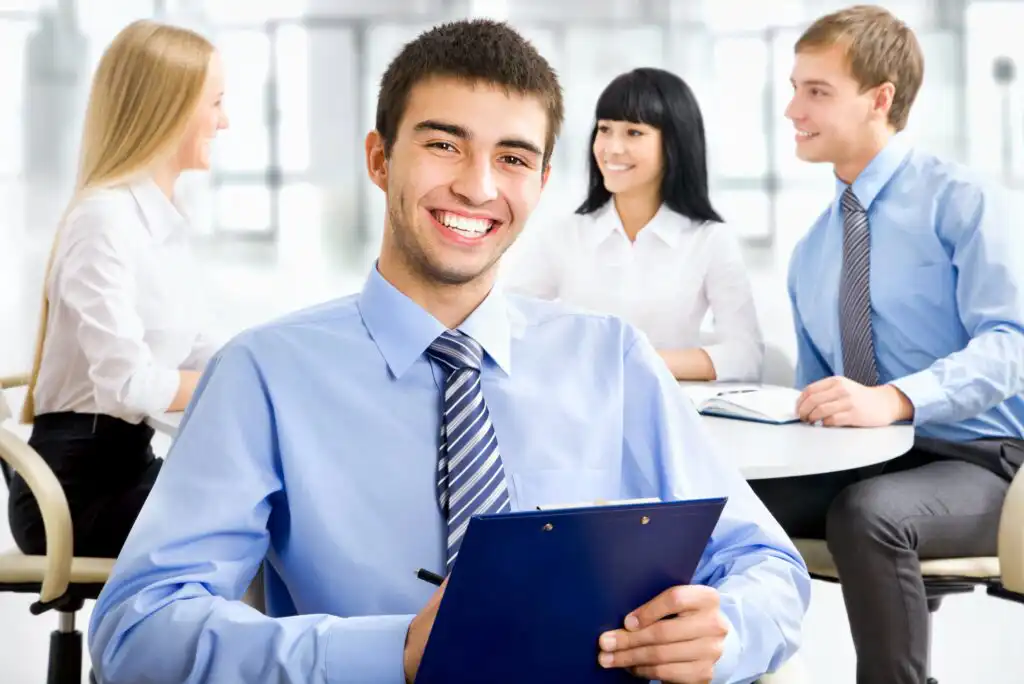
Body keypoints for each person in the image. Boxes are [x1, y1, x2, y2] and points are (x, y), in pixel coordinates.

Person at [88, 19, 809, 684]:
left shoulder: (613, 360)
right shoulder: (264, 375)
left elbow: (765, 563)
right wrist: (389, 652)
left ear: (542, 183)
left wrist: (728, 633)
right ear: (379, 158)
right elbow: (137, 629)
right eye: (443, 144)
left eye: (514, 157)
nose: (478, 185)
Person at [749, 6, 1024, 684]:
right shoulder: (813, 250)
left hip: (986, 460)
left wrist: (896, 399)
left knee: (868, 515)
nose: (792, 109)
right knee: (721, 502)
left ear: (880, 99)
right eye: (793, 87)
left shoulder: (963, 202)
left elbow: (1012, 342)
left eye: (816, 91)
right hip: (875, 460)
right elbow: (821, 402)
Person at [9, 19, 229, 559]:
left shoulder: (166, 229)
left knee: (273, 507)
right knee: (256, 520)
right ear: (171, 108)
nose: (225, 122)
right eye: (216, 103)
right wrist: (220, 383)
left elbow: (208, 353)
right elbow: (126, 385)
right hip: (72, 494)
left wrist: (271, 373)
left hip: (133, 469)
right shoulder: (102, 222)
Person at [503, 68, 764, 382]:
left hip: (670, 408)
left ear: (674, 144)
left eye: (634, 133)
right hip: (579, 402)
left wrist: (633, 360)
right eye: (605, 129)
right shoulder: (564, 235)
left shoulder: (709, 239)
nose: (612, 148)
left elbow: (745, 355)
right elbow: (508, 323)